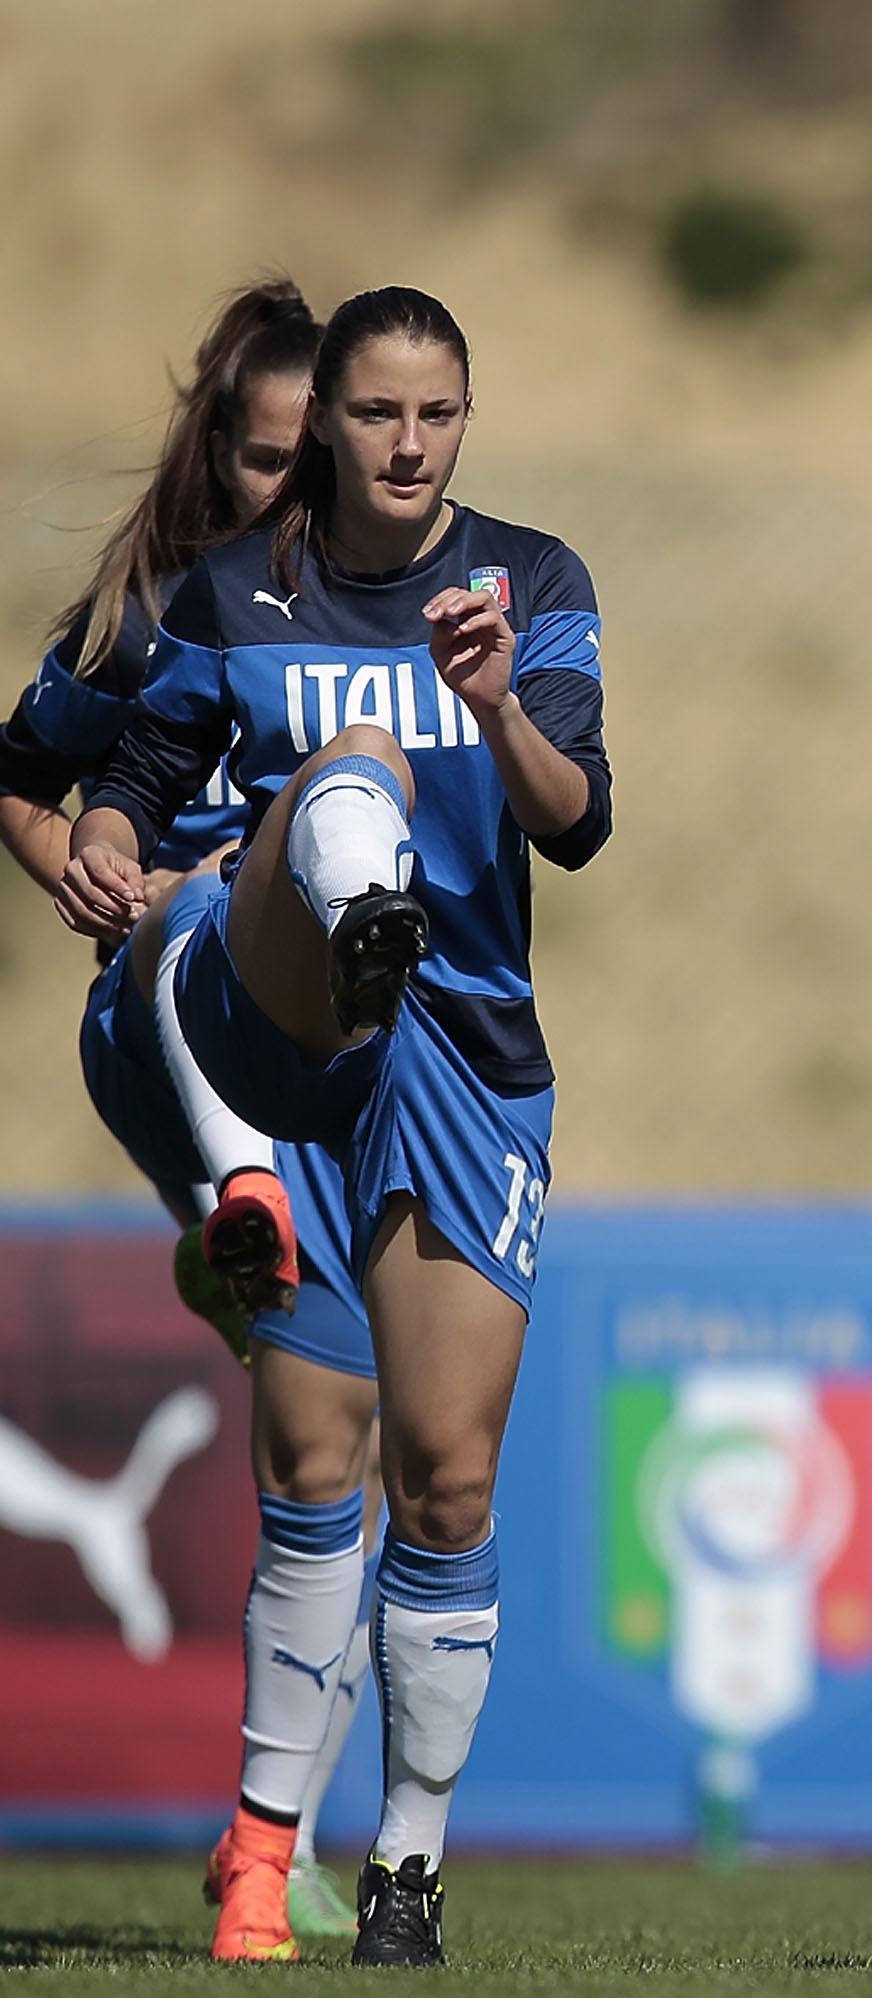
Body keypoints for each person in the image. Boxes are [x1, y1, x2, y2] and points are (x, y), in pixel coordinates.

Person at [63, 285, 614, 1969]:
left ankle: (409, 1864)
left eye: (435, 414)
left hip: (461, 1049)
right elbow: (132, 776)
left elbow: (578, 823)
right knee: (316, 1460)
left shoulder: (533, 581)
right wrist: (96, 831)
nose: (403, 442)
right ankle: (254, 1853)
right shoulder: (236, 589)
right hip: (291, 1022)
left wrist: (505, 700)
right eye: (375, 413)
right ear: (331, 424)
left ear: (466, 420)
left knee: (442, 1480)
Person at [0, 278, 379, 1959]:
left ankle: (270, 1833)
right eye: (265, 456)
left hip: (342, 1062)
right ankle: (231, 1204)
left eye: (319, 459)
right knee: (202, 900)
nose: (290, 491)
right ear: (216, 450)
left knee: (338, 1454)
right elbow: (20, 772)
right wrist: (75, 852)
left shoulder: (392, 618)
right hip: (169, 1019)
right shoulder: (162, 616)